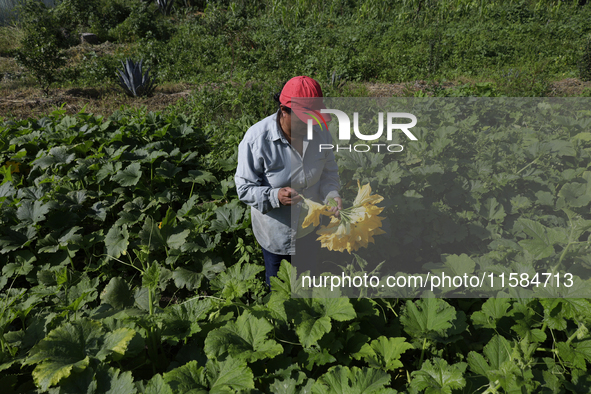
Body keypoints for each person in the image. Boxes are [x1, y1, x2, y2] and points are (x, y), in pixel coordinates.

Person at [235, 76, 342, 286]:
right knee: (280, 293)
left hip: (310, 230)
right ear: (284, 111)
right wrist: (274, 196)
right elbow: (244, 188)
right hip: (276, 235)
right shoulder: (257, 139)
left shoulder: (321, 134)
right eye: (304, 119)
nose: (310, 125)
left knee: (308, 285)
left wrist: (332, 195)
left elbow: (329, 173)